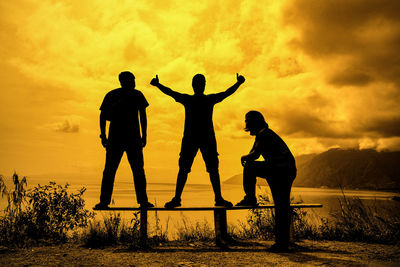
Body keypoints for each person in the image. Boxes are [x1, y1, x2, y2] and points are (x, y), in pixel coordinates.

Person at [150, 73, 245, 208]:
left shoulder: (191, 100)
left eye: (200, 83)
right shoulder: (207, 99)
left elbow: (171, 92)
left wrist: (158, 85)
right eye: (199, 84)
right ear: (200, 85)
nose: (199, 86)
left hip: (195, 139)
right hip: (202, 139)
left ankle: (181, 198)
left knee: (193, 169)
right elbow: (226, 93)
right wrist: (239, 83)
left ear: (195, 85)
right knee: (203, 169)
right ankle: (210, 198)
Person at [236, 110, 296, 251]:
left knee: (281, 205)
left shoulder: (264, 134)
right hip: (283, 170)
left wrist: (243, 158)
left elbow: (254, 156)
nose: (247, 127)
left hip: (280, 170)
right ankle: (282, 243)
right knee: (282, 206)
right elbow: (254, 153)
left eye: (248, 123)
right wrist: (248, 157)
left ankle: (250, 198)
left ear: (254, 123)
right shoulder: (263, 134)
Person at [94, 71, 154, 209]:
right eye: (132, 79)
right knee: (110, 170)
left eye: (134, 79)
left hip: (133, 138)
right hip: (116, 139)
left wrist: (144, 135)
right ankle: (104, 201)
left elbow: (143, 117)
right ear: (124, 81)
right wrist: (103, 135)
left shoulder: (137, 95)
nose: (134, 82)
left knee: (138, 170)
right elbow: (102, 116)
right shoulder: (112, 95)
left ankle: (143, 201)